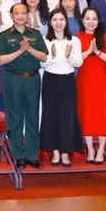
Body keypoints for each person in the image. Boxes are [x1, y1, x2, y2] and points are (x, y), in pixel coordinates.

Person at [0, 2, 48, 169]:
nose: (20, 16)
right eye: (16, 13)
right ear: (11, 16)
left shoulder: (36, 34)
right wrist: (19, 51)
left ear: (27, 15)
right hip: (13, 79)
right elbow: (0, 60)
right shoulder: (4, 36)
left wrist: (29, 49)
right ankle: (19, 155)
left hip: (32, 78)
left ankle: (32, 156)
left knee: (33, 116)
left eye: (23, 13)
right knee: (15, 117)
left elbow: (44, 57)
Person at [76, 7, 106, 163]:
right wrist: (88, 51)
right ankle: (90, 149)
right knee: (87, 113)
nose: (91, 22)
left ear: (98, 21)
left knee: (103, 114)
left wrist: (97, 52)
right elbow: (75, 60)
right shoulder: (77, 38)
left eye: (94, 19)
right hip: (85, 80)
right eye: (87, 19)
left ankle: (101, 150)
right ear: (82, 21)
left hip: (102, 80)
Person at [40, 9, 83, 167]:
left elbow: (78, 63)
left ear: (66, 22)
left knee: (67, 117)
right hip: (50, 80)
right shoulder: (45, 40)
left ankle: (65, 153)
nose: (58, 23)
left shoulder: (75, 40)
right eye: (55, 20)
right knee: (51, 117)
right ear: (50, 22)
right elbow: (42, 64)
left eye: (61, 19)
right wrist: (51, 56)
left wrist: (68, 56)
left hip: (67, 81)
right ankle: (55, 153)